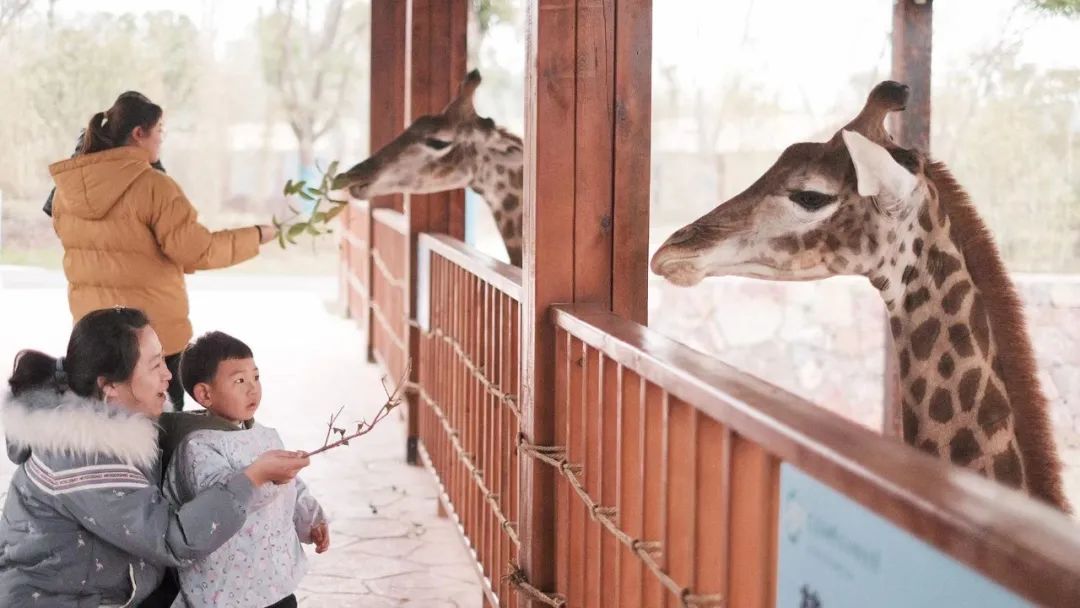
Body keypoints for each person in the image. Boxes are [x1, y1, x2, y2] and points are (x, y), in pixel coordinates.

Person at [0, 307, 310, 607]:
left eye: (163, 359)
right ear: (109, 386)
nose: (167, 376)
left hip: (118, 586)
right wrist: (251, 478)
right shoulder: (84, 456)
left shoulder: (118, 421)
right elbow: (174, 539)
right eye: (154, 365)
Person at [48, 91, 279, 411]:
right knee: (162, 434)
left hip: (94, 338)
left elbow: (96, 247)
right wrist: (258, 235)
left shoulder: (65, 191)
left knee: (103, 430)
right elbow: (199, 251)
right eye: (160, 132)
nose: (161, 142)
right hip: (151, 340)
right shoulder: (154, 186)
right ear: (139, 134)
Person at [161, 331, 329, 608]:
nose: (253, 388)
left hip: (275, 579)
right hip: (225, 588)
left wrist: (311, 520)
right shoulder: (197, 446)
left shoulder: (265, 435)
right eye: (240, 380)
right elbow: (221, 501)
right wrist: (266, 475)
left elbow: (293, 487)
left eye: (256, 377)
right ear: (205, 393)